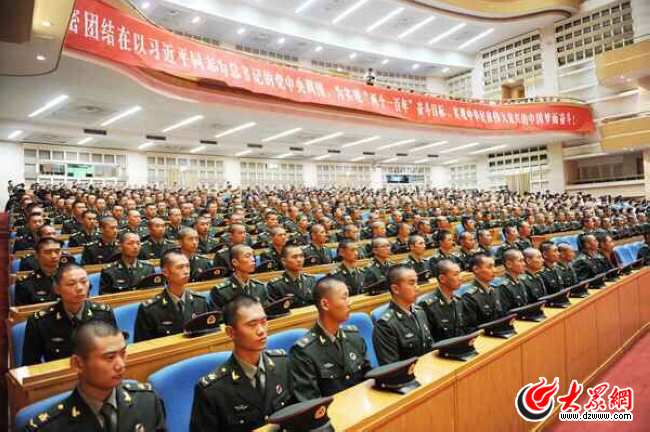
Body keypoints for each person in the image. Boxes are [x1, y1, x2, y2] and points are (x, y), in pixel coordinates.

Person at [23, 321, 167, 431]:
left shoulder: (148, 401)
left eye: (123, 354)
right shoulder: (47, 428)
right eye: (110, 357)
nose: (121, 365)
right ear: (78, 364)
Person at [190, 295, 292, 431]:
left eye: (264, 322)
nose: (261, 330)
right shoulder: (212, 390)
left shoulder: (282, 363)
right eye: (252, 324)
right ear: (231, 332)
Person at [289, 276, 372, 401]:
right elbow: (312, 403)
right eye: (344, 297)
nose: (350, 303)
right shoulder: (303, 352)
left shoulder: (353, 336)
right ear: (325, 304)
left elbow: (369, 378)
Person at [22, 264, 116, 365]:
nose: (80, 288)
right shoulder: (39, 322)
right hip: (61, 373)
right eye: (71, 284)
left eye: (84, 282)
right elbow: (30, 365)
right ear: (57, 289)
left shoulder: (104, 314)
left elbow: (114, 352)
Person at [134, 251, 209, 342]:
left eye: (188, 266)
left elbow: (208, 335)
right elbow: (142, 346)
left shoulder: (200, 301)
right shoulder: (149, 309)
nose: (186, 271)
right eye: (180, 267)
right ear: (166, 272)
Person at [373, 265, 433, 365]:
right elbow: (392, 368)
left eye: (417, 282)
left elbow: (430, 348)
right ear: (395, 289)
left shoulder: (420, 312)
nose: (417, 288)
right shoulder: (385, 326)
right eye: (412, 283)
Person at [418, 260, 469, 341]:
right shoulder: (427, 305)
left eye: (460, 273)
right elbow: (429, 340)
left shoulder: (458, 300)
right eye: (456, 274)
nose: (460, 278)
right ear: (442, 279)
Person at [209, 244, 268, 312]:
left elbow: (266, 313)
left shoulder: (260, 287)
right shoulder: (221, 291)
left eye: (253, 256)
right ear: (235, 262)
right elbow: (221, 317)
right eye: (247, 256)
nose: (253, 259)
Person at [462, 254, 510, 331]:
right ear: (476, 269)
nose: (495, 270)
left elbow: (506, 315)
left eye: (494, 266)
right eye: (489, 267)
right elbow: (471, 329)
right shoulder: (469, 297)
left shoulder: (497, 290)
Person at [15, 238, 62, 306]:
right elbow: (23, 311)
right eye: (48, 252)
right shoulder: (25, 284)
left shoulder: (69, 277)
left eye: (57, 251)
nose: (54, 256)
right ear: (36, 255)